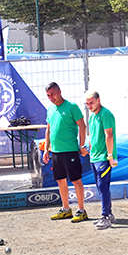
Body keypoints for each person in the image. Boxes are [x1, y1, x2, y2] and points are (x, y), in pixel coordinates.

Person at [43, 82, 89, 223]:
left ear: (59, 91)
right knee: (60, 180)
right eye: (48, 95)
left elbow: (82, 126)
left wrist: (82, 145)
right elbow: (48, 130)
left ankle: (81, 210)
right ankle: (66, 209)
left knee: (75, 180)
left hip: (70, 151)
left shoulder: (71, 107)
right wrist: (46, 149)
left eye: (53, 94)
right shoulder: (50, 109)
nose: (51, 97)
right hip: (55, 152)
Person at [85, 90, 118, 230]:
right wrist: (89, 150)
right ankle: (109, 214)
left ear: (98, 100)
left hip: (104, 158)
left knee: (103, 187)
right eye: (87, 103)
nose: (89, 106)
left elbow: (109, 135)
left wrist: (110, 155)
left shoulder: (106, 114)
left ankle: (105, 217)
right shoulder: (92, 116)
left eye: (91, 103)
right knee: (100, 187)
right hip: (94, 157)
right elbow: (92, 135)